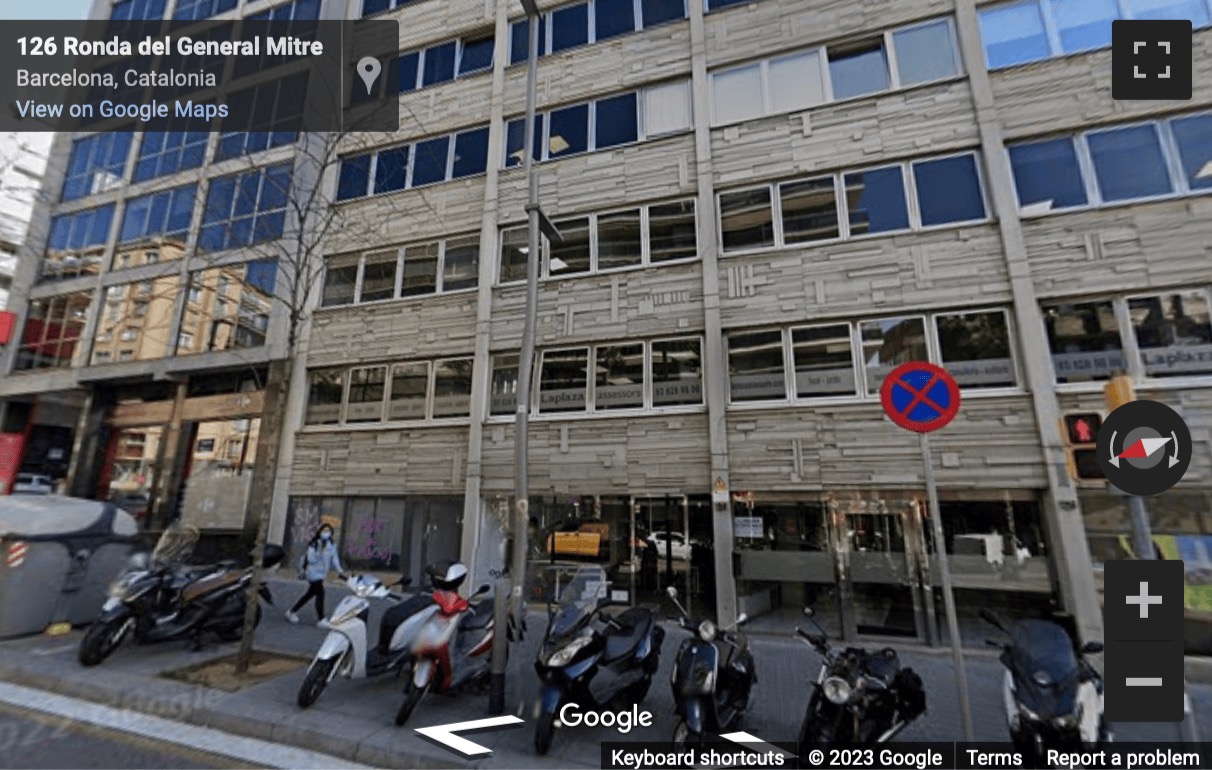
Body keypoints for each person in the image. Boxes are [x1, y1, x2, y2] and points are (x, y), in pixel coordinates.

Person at [286, 524, 347, 624]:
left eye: (328, 531)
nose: (326, 533)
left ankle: (291, 611)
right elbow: (311, 559)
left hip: (322, 574)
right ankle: (321, 619)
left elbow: (335, 559)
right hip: (312, 572)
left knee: (310, 594)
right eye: (324, 530)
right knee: (320, 593)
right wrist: (320, 550)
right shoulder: (314, 544)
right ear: (320, 531)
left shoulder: (331, 545)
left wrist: (340, 572)